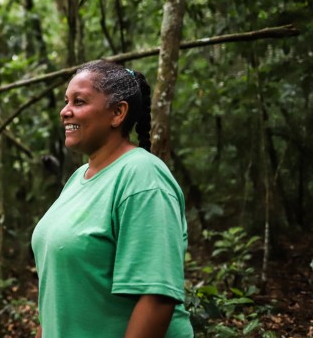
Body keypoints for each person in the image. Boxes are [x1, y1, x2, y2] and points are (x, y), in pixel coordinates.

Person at [31, 60, 193, 338]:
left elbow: (156, 297)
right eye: (66, 101)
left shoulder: (143, 176)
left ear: (118, 113)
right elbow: (58, 296)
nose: (65, 111)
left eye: (79, 101)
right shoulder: (79, 177)